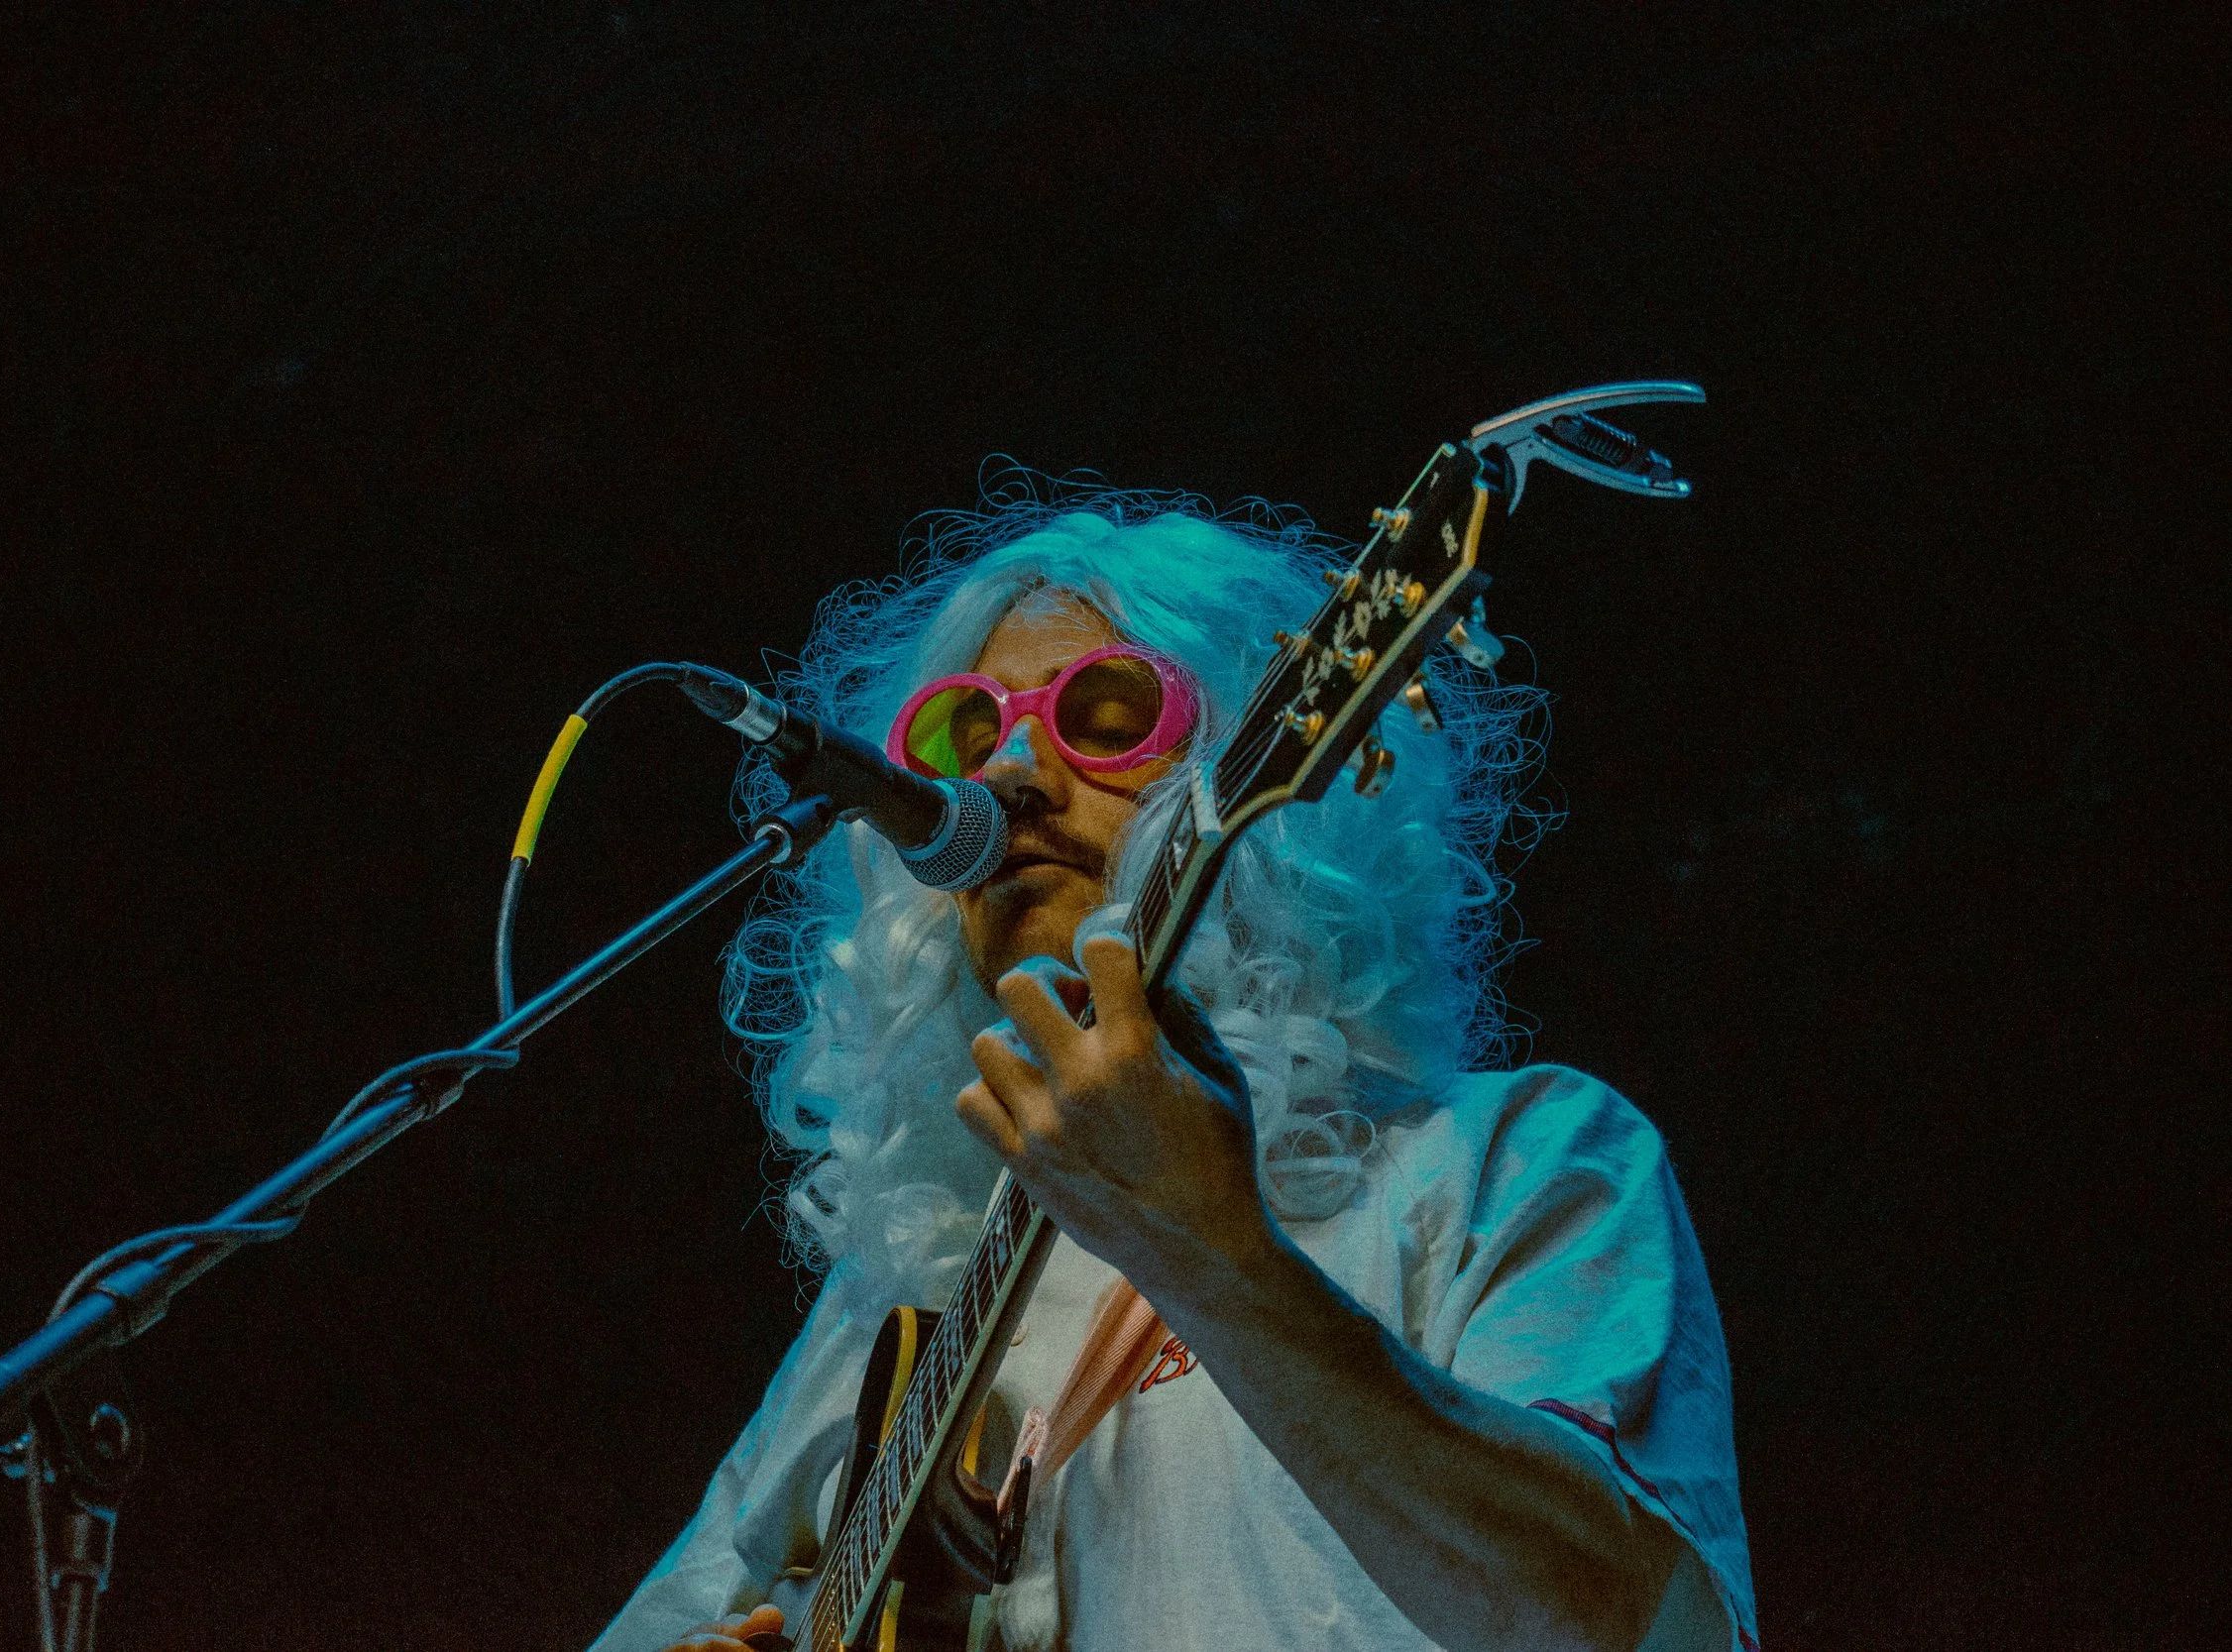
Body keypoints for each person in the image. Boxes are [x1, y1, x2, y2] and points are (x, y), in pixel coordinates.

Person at [591, 482, 1758, 1652]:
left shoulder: (1517, 1161)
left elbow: (1632, 1622)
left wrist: (1212, 1252)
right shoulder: (889, 1300)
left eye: (1106, 717)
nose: (1010, 773)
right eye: (965, 734)